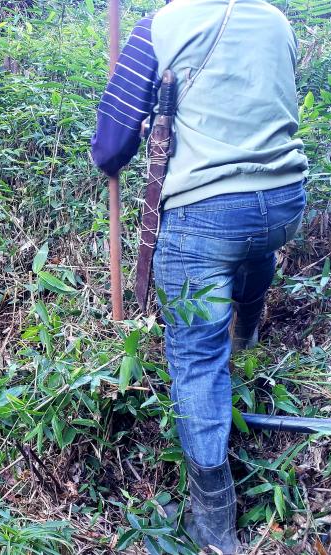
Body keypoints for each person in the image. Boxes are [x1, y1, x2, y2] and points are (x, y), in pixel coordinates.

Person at [91, 0, 308, 552]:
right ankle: (248, 331)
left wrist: (120, 147)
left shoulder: (159, 27)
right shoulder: (277, 19)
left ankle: (212, 521)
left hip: (204, 219)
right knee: (252, 246)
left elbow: (110, 147)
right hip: (284, 202)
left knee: (196, 361)